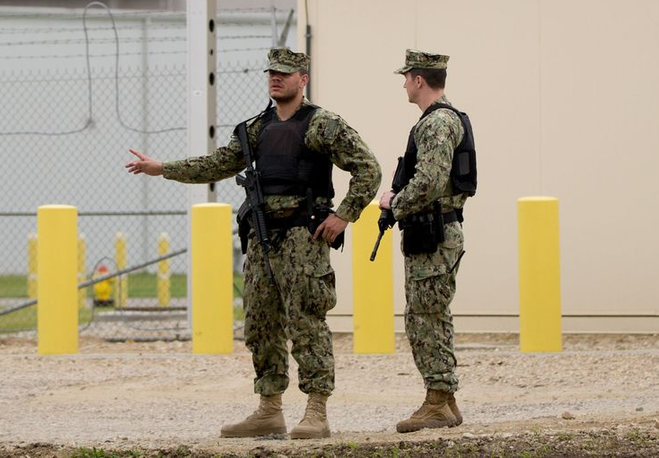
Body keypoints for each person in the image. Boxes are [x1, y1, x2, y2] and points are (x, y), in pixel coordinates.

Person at [126, 47, 380, 440]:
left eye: (284, 73)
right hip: (262, 239)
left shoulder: (323, 125)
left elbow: (368, 168)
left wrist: (345, 213)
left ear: (303, 78)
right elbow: (217, 164)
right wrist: (163, 169)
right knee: (260, 323)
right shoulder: (255, 129)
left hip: (303, 236)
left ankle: (316, 410)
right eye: (271, 73)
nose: (275, 78)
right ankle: (269, 409)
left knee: (306, 321)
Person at [378, 49, 468, 432]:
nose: (403, 84)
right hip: (435, 232)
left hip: (433, 234)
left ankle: (436, 400)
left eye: (407, 77)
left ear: (419, 80)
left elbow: (430, 180)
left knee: (423, 318)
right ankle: (445, 400)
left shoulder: (435, 124)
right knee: (432, 314)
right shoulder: (445, 119)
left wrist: (394, 203)